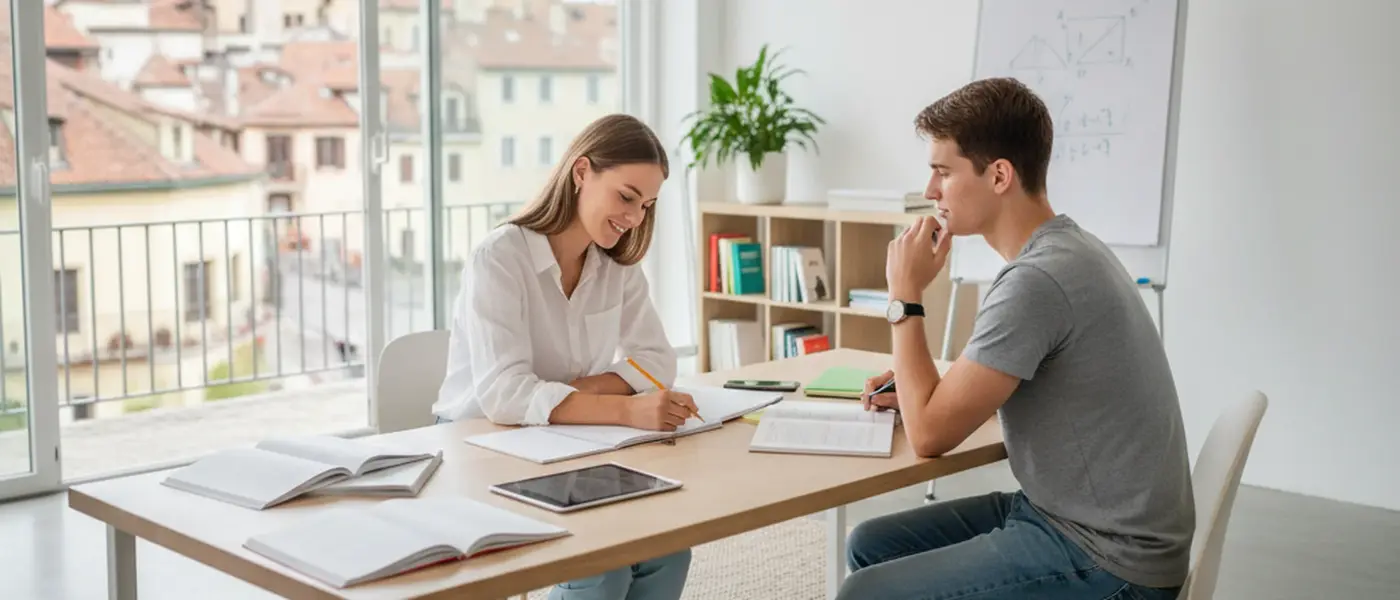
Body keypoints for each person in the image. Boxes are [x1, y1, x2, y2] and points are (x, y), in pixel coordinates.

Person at [836, 77, 1195, 599]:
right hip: (1071, 518)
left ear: (1000, 175)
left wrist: (904, 297)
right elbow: (991, 387)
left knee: (865, 593)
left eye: (943, 172)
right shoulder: (1068, 248)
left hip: (1108, 558)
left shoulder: (1035, 281)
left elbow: (930, 436)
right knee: (871, 544)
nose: (930, 191)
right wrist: (919, 391)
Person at [433, 113, 693, 600]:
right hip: (481, 445)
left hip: (566, 438)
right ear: (582, 172)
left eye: (647, 205)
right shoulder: (500, 258)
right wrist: (626, 409)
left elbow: (658, 360)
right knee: (602, 567)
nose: (635, 218)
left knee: (670, 549)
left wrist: (577, 392)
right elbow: (505, 397)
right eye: (626, 197)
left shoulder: (616, 266)